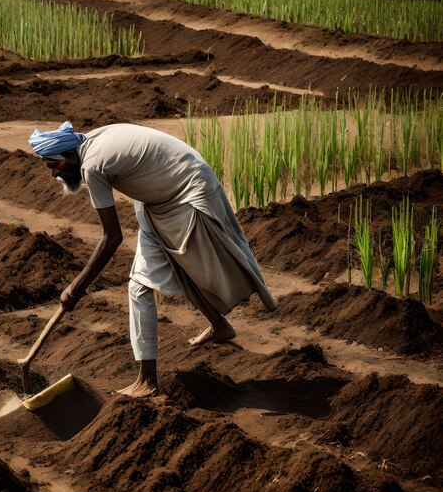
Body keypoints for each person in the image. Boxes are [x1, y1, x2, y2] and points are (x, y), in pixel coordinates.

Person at [29, 121, 277, 397]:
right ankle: (220, 327)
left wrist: (76, 287)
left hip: (187, 192)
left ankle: (147, 382)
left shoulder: (92, 166)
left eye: (54, 165)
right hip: (155, 202)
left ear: (70, 156)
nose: (53, 175)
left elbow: (112, 237)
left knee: (145, 284)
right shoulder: (89, 141)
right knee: (166, 272)